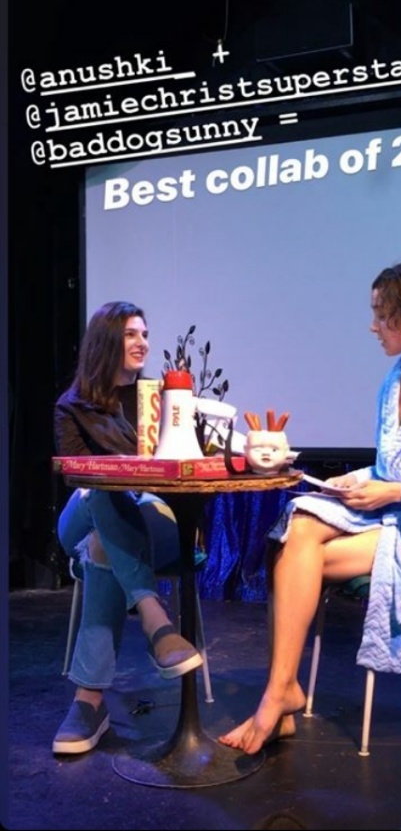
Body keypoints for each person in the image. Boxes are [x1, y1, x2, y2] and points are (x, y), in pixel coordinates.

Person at [219, 262, 401, 755]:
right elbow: (392, 467)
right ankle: (281, 691)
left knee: (293, 556)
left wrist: (394, 494)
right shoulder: (395, 380)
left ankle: (279, 696)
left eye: (381, 314)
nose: (373, 327)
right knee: (299, 524)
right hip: (396, 516)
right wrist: (356, 481)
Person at [52, 300, 203, 755]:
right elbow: (75, 475)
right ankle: (155, 618)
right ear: (106, 342)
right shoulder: (72, 406)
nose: (143, 343)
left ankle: (88, 704)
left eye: (145, 334)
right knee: (101, 488)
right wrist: (115, 475)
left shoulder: (158, 404)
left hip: (147, 517)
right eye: (131, 334)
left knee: (104, 544)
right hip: (84, 513)